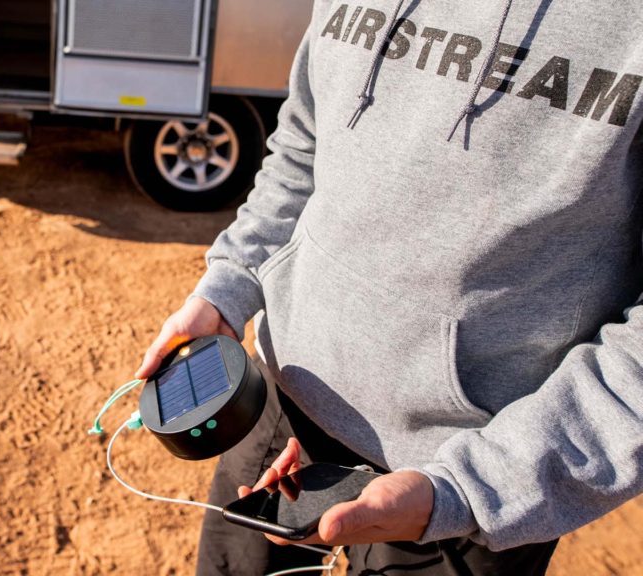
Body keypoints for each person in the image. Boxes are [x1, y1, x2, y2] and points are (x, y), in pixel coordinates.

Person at [136, 1, 643, 574]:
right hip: (282, 403)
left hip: (469, 476)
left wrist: (474, 489)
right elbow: (302, 149)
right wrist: (227, 286)